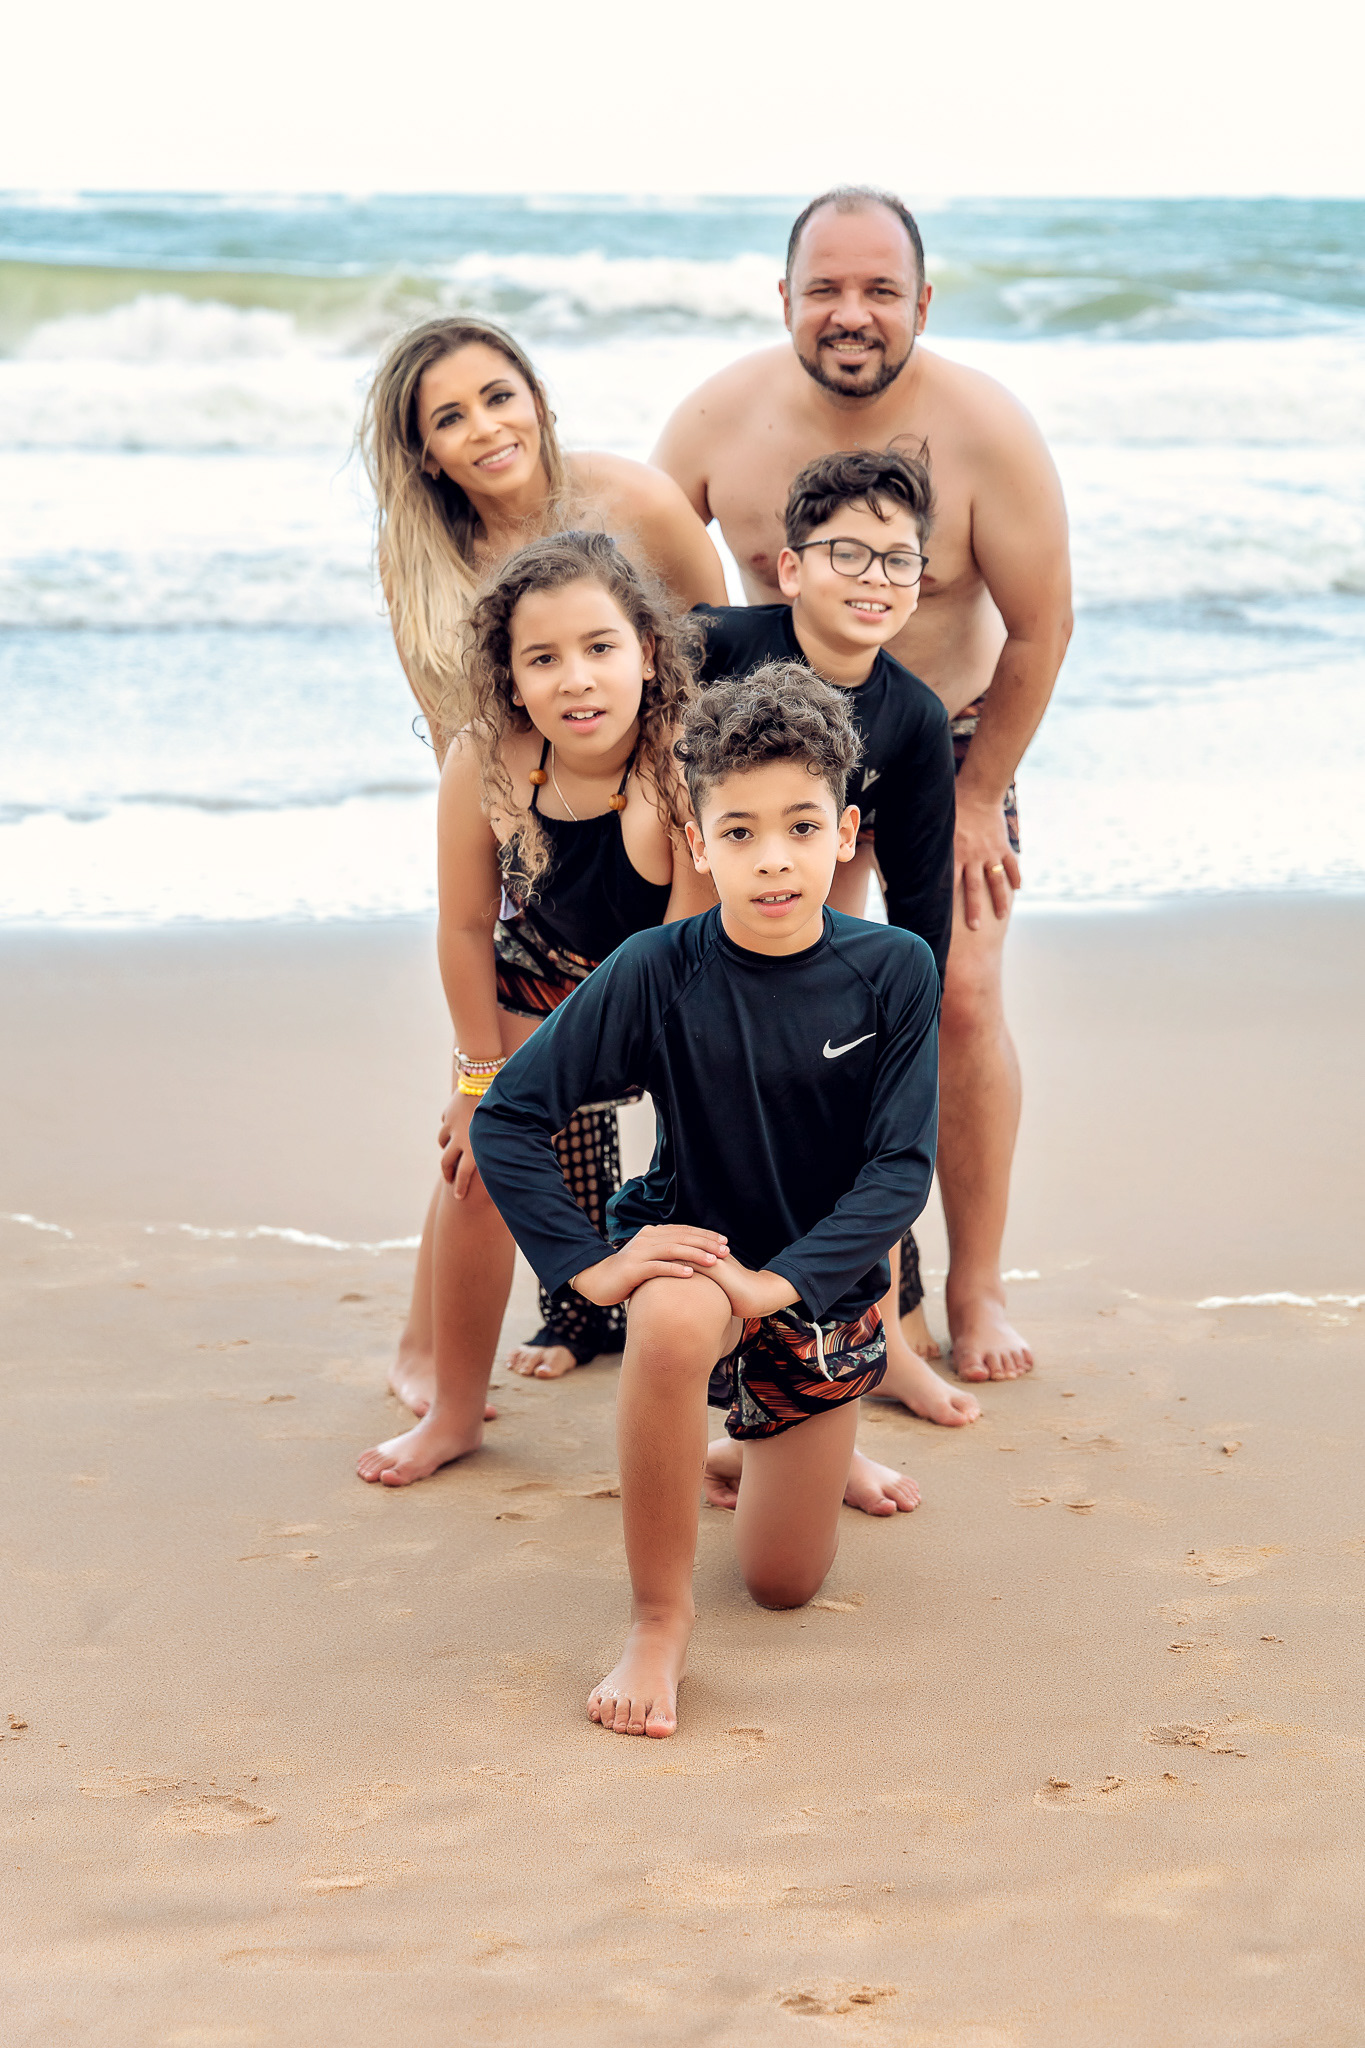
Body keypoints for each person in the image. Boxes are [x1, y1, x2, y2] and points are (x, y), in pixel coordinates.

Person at [471, 663, 941, 1737]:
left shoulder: (895, 969)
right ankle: (657, 1620)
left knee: (782, 1583)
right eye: (739, 831)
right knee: (675, 1319)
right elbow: (508, 1117)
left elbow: (898, 1171)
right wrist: (588, 1269)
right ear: (697, 842)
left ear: (845, 832)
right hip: (697, 1246)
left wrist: (780, 1284)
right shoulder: (656, 967)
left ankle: (748, 1446)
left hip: (818, 1286)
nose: (773, 857)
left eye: (801, 826)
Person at [653, 188, 1073, 1384]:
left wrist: (983, 792)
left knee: (961, 996)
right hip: (788, 759)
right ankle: (810, 1274)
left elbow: (1043, 627)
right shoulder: (716, 420)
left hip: (953, 744)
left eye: (880, 290)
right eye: (825, 288)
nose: (852, 313)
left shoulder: (988, 429)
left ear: (922, 302)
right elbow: (636, 596)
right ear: (782, 297)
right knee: (784, 1012)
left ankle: (975, 1286)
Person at [361, 315, 727, 1395]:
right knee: (487, 1110)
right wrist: (514, 836)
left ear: (537, 397)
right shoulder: (419, 558)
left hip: (660, 809)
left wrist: (695, 806)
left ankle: (828, 1320)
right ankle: (454, 1352)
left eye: (497, 396)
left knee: (726, 1107)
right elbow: (454, 729)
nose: (483, 428)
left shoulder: (636, 500)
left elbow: (721, 647)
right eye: (449, 417)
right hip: (528, 829)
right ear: (425, 452)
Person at [692, 446, 977, 1428]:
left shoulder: (913, 718)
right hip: (687, 930)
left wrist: (895, 1038)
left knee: (852, 1116)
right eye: (846, 553)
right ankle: (721, 1334)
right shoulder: (713, 645)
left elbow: (922, 908)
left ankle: (880, 1342)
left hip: (801, 948)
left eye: (898, 560)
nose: (874, 578)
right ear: (789, 567)